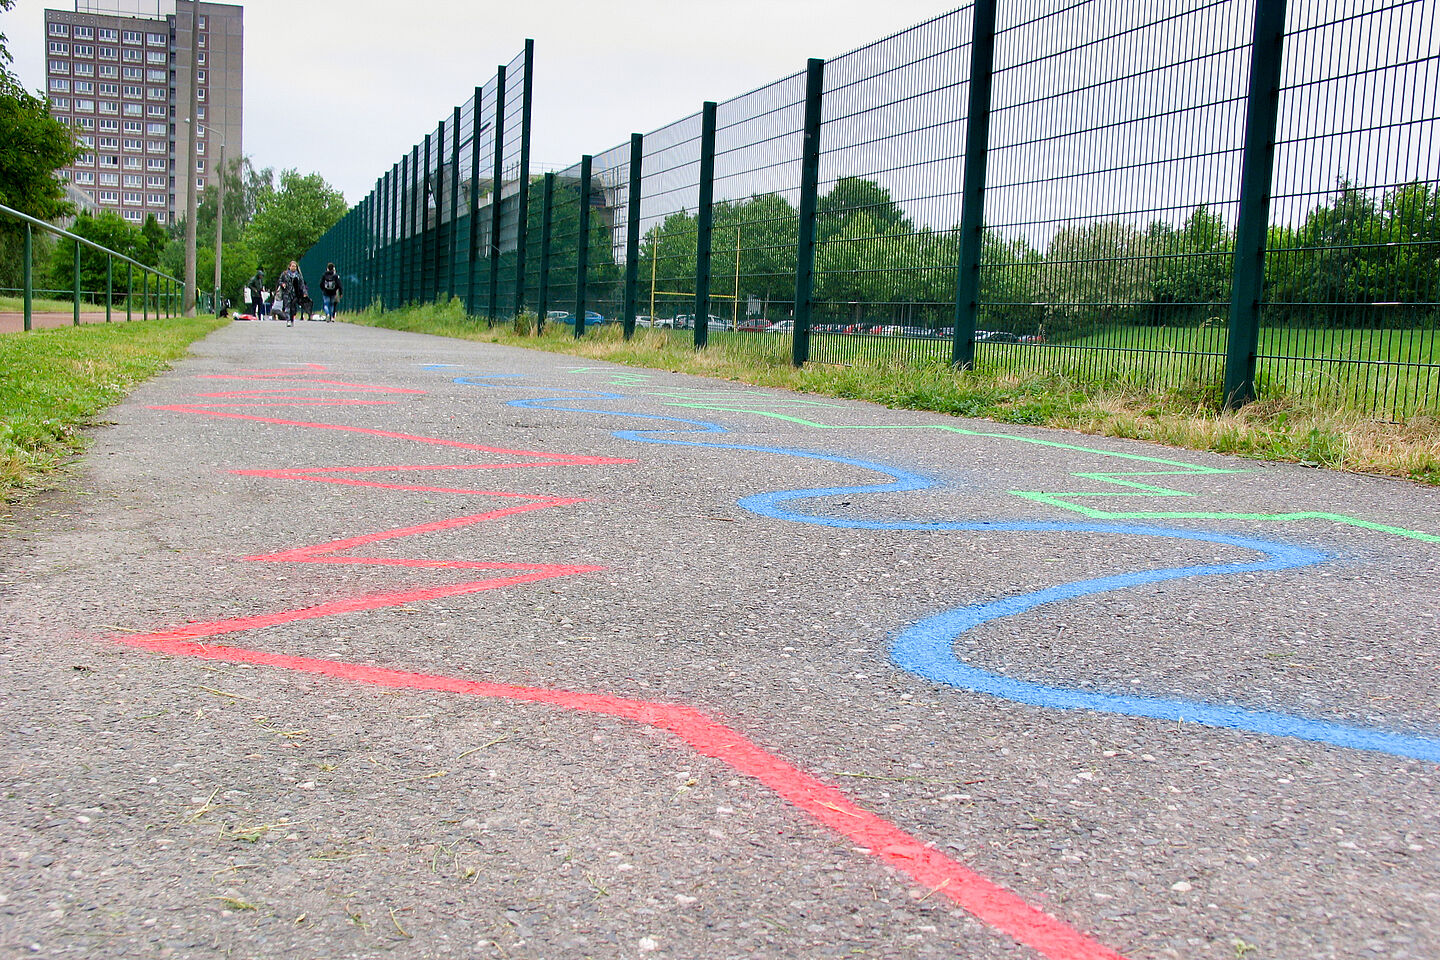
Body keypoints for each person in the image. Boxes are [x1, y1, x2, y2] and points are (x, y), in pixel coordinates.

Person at [277, 260, 305, 328]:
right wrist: (282, 284)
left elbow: (302, 284)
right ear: (289, 267)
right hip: (286, 293)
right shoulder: (285, 274)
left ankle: (292, 319)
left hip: (295, 294)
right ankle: (288, 320)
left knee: (293, 308)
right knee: (287, 307)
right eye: (292, 266)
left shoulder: (298, 275)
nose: (294, 268)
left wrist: (304, 292)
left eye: (295, 266)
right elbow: (280, 281)